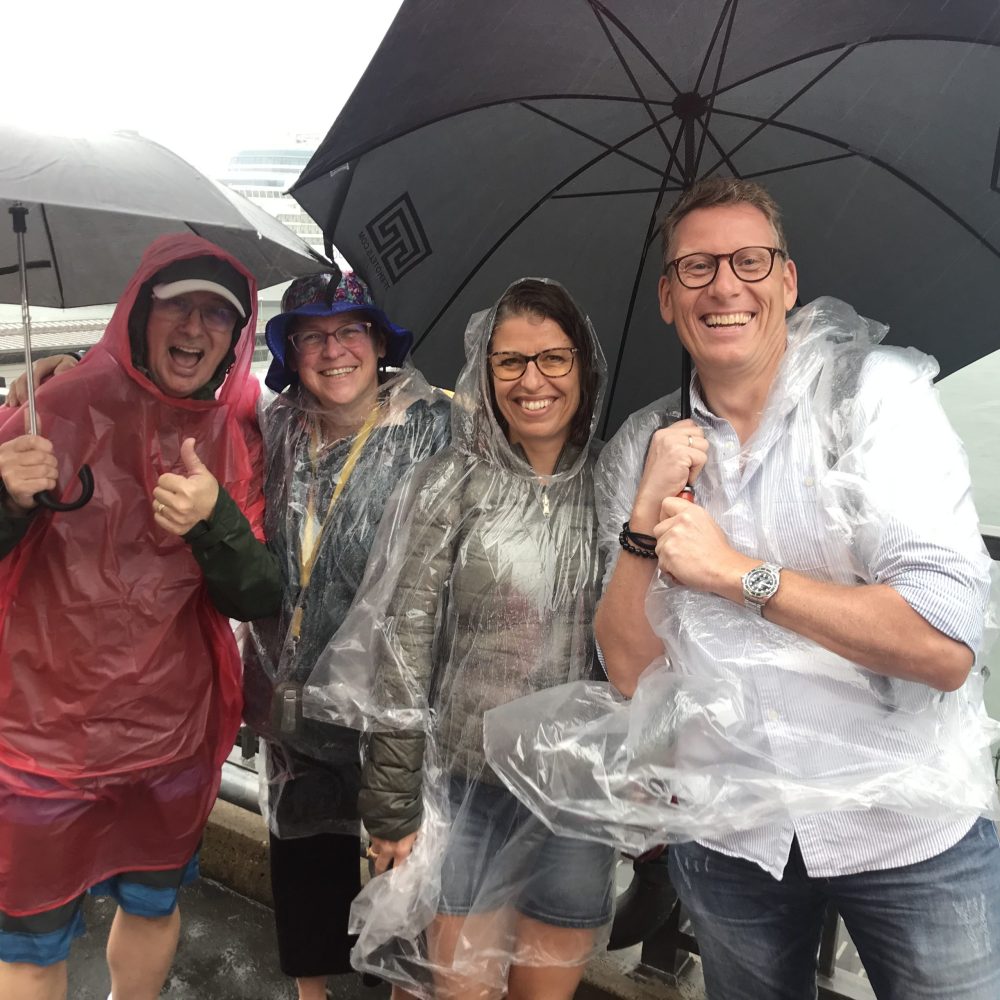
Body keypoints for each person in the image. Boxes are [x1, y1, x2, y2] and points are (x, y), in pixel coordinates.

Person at [594, 176, 1000, 999]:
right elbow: (632, 672)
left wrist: (738, 576)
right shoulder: (645, 443)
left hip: (905, 828)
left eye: (748, 260)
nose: (724, 285)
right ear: (669, 299)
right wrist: (646, 516)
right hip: (731, 831)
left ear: (786, 280)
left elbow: (944, 647)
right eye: (697, 268)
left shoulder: (873, 399)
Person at [0, 235, 281, 1000]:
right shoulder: (47, 409)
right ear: (138, 313)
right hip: (41, 746)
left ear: (235, 336)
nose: (196, 328)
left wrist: (214, 518)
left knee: (154, 906)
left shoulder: (235, 428)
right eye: (177, 305)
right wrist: (8, 496)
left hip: (170, 739)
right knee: (30, 939)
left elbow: (257, 596)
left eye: (217, 316)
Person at [328, 278, 615, 1000]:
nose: (532, 381)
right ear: (484, 374)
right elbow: (404, 645)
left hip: (576, 793)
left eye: (552, 358)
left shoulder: (618, 484)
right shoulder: (452, 482)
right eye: (509, 362)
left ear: (584, 365)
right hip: (464, 789)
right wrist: (392, 805)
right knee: (454, 991)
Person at [241, 270, 451, 1000]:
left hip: (396, 696)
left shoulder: (435, 424)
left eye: (350, 331)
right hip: (291, 696)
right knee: (302, 855)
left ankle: (398, 990)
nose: (334, 351)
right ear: (291, 354)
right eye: (313, 337)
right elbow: (186, 416)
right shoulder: (269, 426)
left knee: (406, 866)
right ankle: (312, 993)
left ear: (378, 341)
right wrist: (60, 371)